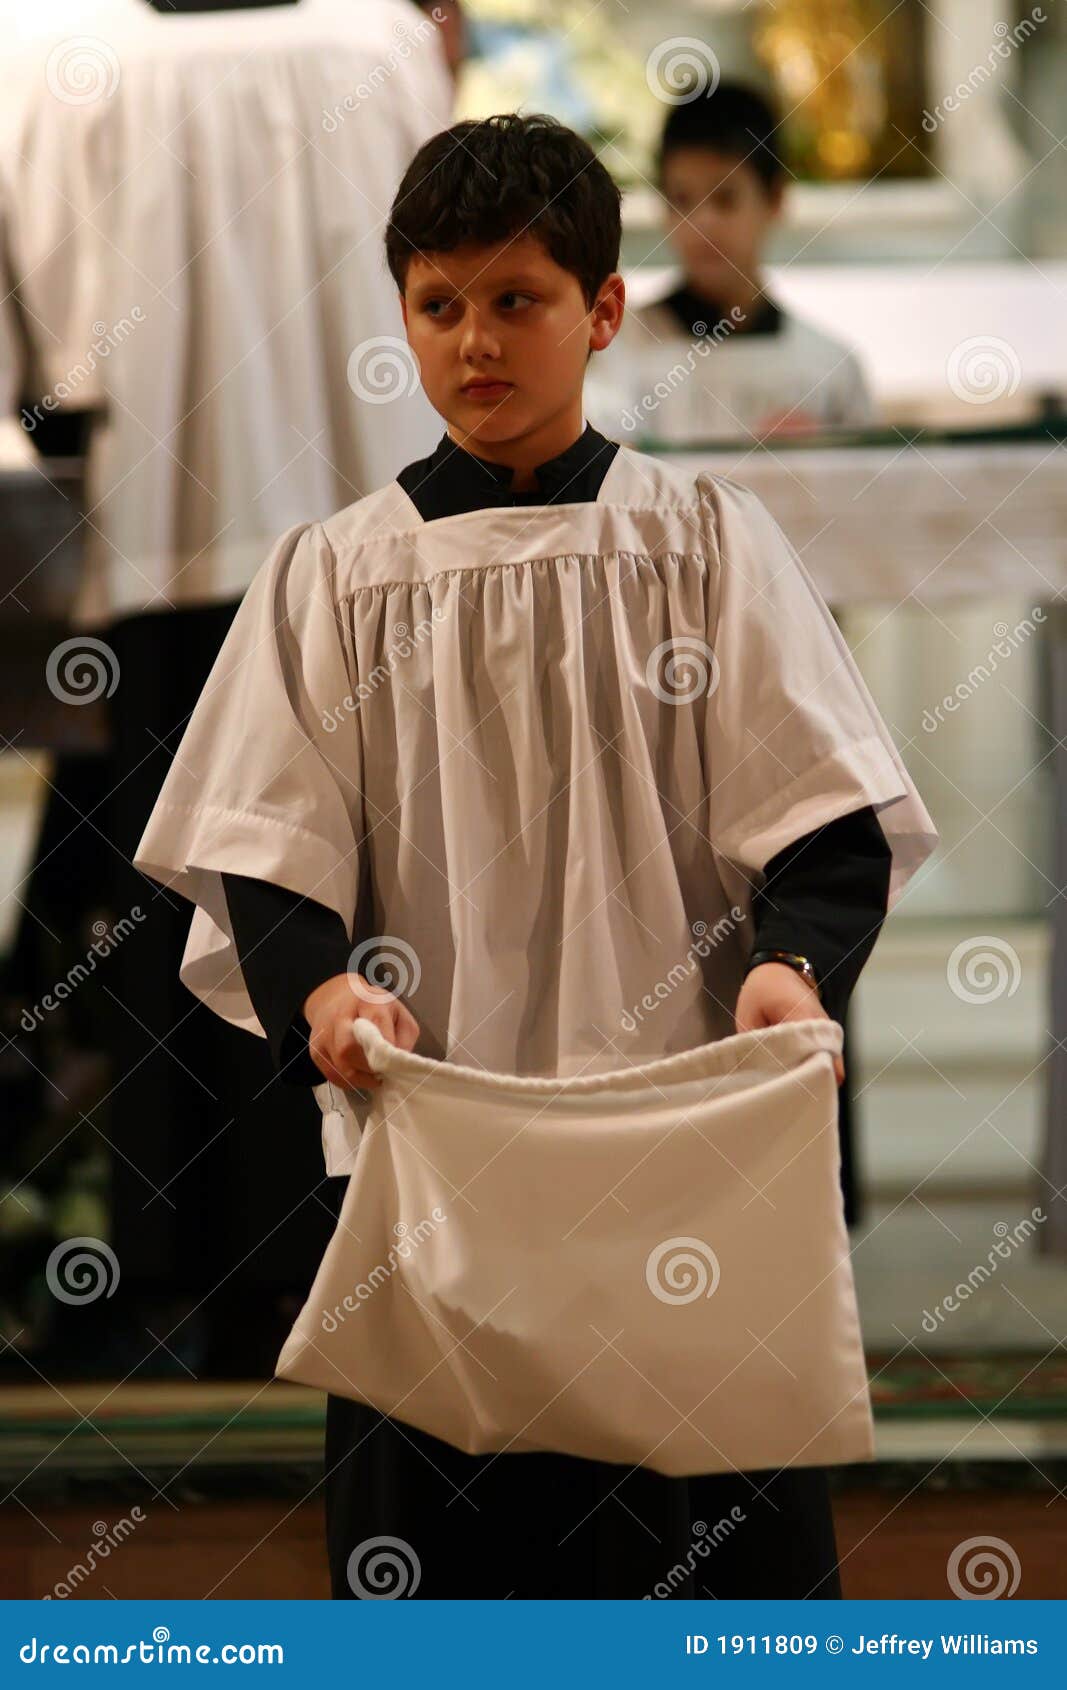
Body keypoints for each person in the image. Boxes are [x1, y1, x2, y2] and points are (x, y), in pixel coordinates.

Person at [133, 112, 937, 1596]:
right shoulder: (338, 573)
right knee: (441, 1575)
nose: (474, 343)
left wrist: (785, 969)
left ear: (603, 309)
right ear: (402, 321)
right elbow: (263, 849)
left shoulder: (702, 541)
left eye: (517, 301)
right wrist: (321, 999)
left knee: (716, 1583)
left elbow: (822, 824)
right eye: (438, 306)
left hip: (679, 1139)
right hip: (436, 1148)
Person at [0, 0, 459, 1372]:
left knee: (170, 907)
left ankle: (173, 1268)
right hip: (362, 545)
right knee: (364, 893)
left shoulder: (57, 56)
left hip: (151, 560)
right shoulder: (376, 44)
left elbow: (33, 322)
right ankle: (366, 1249)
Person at [585, 79, 875, 445]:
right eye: (682, 199)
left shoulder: (829, 369)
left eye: (725, 199)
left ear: (775, 199)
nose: (701, 223)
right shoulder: (616, 349)